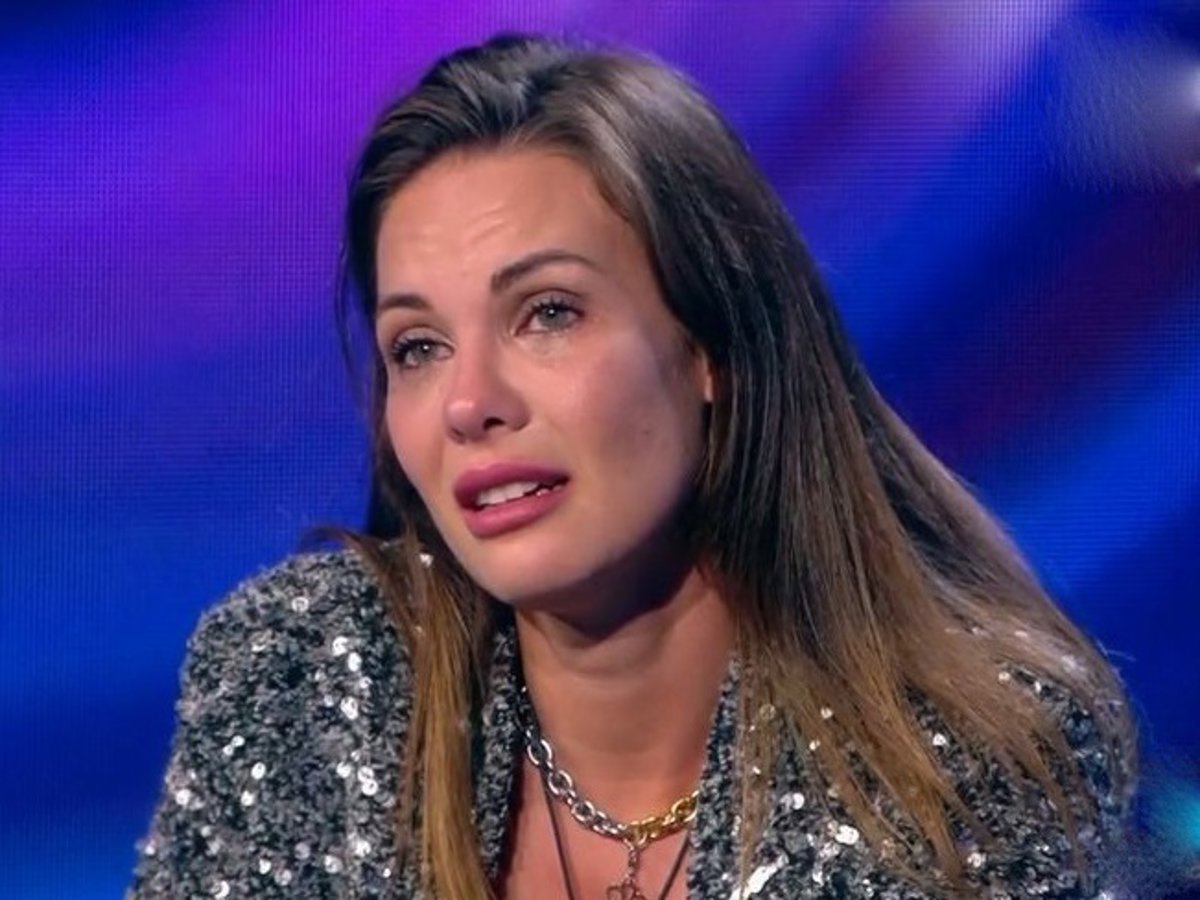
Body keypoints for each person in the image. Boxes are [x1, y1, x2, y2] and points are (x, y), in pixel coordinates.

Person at [127, 33, 1137, 899]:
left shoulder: (967, 772)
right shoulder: (303, 691)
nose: (471, 404)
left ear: (709, 345)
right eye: (418, 347)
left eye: (547, 313)